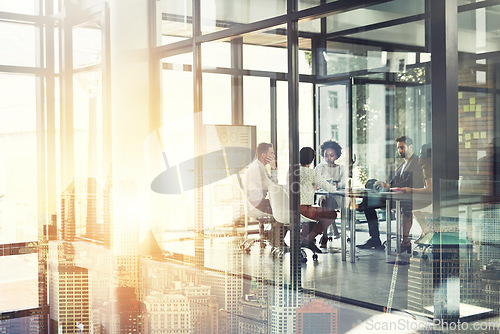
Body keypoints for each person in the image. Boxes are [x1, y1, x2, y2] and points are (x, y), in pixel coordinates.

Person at [357, 136, 424, 253]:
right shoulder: (402, 165)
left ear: (410, 147)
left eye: (402, 148)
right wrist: (384, 185)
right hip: (395, 196)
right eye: (398, 148)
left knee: (368, 203)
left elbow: (413, 182)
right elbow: (393, 182)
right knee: (369, 199)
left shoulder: (416, 162)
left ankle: (402, 241)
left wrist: (389, 187)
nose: (400, 151)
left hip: (408, 198)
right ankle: (375, 239)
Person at [299, 147, 338, 254]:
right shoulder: (311, 173)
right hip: (304, 210)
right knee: (332, 214)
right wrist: (336, 188)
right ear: (312, 159)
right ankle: (308, 240)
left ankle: (304, 240)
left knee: (316, 212)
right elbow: (329, 188)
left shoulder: (291, 171)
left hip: (292, 208)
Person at [315, 140, 345, 246]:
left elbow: (343, 184)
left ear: (336, 155)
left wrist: (333, 185)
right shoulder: (320, 167)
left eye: (331, 155)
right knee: (325, 200)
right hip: (322, 196)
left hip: (337, 198)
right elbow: (315, 182)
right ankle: (330, 231)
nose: (329, 158)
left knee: (327, 202)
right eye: (326, 155)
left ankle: (325, 234)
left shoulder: (341, 168)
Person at [400, 144, 432, 242]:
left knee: (409, 205)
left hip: (433, 200)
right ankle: (425, 231)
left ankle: (406, 240)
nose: (419, 156)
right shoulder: (431, 166)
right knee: (411, 205)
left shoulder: (426, 167)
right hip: (441, 198)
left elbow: (430, 189)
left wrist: (410, 190)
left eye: (421, 154)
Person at [245, 142, 277, 214]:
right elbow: (273, 187)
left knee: (281, 203)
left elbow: (273, 184)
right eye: (271, 153)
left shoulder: (259, 166)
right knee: (284, 205)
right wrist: (274, 168)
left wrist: (273, 169)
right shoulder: (258, 168)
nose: (274, 156)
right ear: (263, 155)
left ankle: (278, 225)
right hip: (257, 205)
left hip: (255, 203)